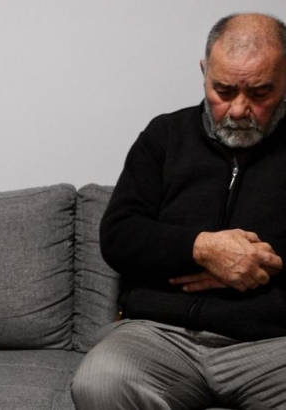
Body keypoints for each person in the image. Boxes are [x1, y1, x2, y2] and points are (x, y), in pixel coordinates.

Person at [71, 12, 286, 410]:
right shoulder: (164, 135)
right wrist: (202, 249)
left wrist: (254, 265)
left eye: (260, 93)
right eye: (223, 90)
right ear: (204, 73)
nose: (239, 110)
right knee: (99, 382)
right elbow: (118, 235)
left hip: (272, 345)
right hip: (159, 335)